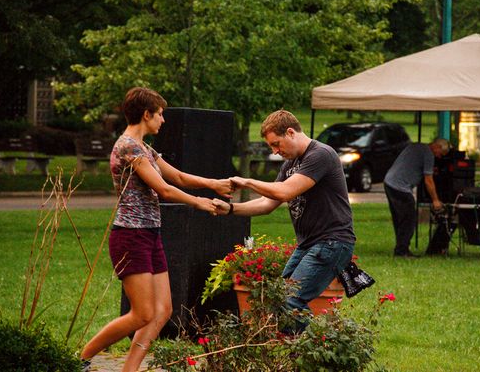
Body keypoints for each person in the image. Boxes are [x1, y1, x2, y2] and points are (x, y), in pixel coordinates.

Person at [80, 87, 232, 372]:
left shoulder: (145, 149)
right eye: (160, 114)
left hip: (150, 233)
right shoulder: (128, 147)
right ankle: (80, 359)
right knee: (142, 314)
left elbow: (177, 176)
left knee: (163, 310)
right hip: (130, 235)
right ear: (146, 114)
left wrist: (215, 184)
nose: (163, 120)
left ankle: (129, 370)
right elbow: (163, 188)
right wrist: (199, 203)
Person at [213, 110, 355, 329]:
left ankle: (320, 348)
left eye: (276, 144)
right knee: (279, 298)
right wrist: (231, 209)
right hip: (309, 244)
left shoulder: (321, 155)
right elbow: (267, 203)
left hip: (331, 242)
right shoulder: (289, 165)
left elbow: (284, 192)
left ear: (290, 132)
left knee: (290, 300)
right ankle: (299, 354)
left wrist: (248, 182)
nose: (275, 151)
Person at [383, 138, 450, 257]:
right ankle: (402, 251)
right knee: (409, 219)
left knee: (399, 219)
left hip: (389, 182)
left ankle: (401, 248)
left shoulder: (415, 146)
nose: (439, 157)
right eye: (441, 154)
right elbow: (428, 180)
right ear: (437, 147)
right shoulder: (429, 154)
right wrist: (435, 200)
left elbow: (411, 164)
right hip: (400, 187)